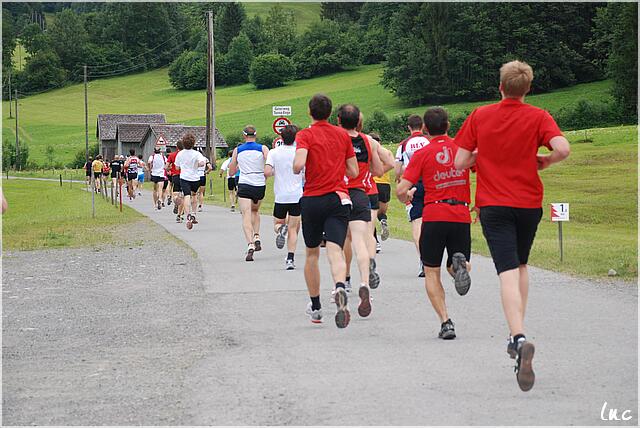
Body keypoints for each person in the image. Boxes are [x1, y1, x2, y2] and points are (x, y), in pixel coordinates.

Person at [454, 60, 570, 392]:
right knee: (521, 266)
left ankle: (518, 337)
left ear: (500, 86)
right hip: (528, 204)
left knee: (506, 271)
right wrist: (546, 160)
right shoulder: (538, 116)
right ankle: (515, 331)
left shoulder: (481, 115)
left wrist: (479, 155)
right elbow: (563, 148)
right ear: (527, 89)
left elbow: (460, 161)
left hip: (494, 204)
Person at [396, 106, 473, 342]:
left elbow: (401, 189)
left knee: (431, 270)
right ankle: (458, 267)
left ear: (425, 129)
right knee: (459, 263)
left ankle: (445, 321)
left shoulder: (422, 154)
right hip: (460, 213)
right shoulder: (462, 148)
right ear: (448, 125)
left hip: (434, 214)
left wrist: (405, 197)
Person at [293, 94, 358, 328]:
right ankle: (340, 286)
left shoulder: (305, 135)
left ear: (309, 112)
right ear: (330, 113)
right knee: (335, 249)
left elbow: (298, 165)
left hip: (312, 199)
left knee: (312, 254)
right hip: (337, 199)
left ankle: (316, 307)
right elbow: (353, 171)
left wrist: (299, 165)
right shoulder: (342, 135)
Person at [395, 114, 430, 277]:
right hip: (431, 183)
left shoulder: (404, 145)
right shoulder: (429, 141)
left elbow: (397, 168)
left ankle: (423, 259)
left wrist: (399, 178)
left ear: (408, 127)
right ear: (422, 126)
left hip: (413, 184)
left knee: (417, 222)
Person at [265, 124, 303, 270]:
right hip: (297, 195)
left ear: (281, 137)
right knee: (294, 228)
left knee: (278, 223)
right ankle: (290, 259)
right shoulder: (299, 153)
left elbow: (267, 172)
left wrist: (276, 171)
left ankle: (281, 229)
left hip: (281, 195)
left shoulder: (274, 153)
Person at [229, 125, 269, 261]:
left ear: (244, 136)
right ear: (255, 135)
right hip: (259, 184)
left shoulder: (238, 150)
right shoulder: (263, 148)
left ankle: (250, 244)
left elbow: (231, 171)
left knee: (246, 214)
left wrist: (238, 167)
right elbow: (269, 163)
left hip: (245, 183)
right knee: (255, 211)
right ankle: (257, 235)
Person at [175, 133, 207, 230]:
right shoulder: (197, 153)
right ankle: (194, 213)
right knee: (194, 195)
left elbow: (177, 167)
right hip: (195, 178)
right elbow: (202, 162)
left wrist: (183, 166)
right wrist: (198, 164)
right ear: (193, 143)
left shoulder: (180, 154)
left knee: (187, 196)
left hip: (184, 177)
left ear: (183, 143)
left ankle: (188, 214)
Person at [371, 133, 392, 249]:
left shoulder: (370, 152)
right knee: (381, 212)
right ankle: (383, 220)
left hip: (373, 183)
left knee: (371, 214)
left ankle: (376, 242)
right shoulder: (387, 152)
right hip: (385, 185)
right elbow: (393, 164)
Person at [166, 141, 184, 222]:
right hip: (184, 176)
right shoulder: (186, 155)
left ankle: (176, 201)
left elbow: (166, 167)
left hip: (175, 176)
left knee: (176, 194)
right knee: (183, 196)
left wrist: (169, 169)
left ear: (177, 147)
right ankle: (179, 215)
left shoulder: (172, 155)